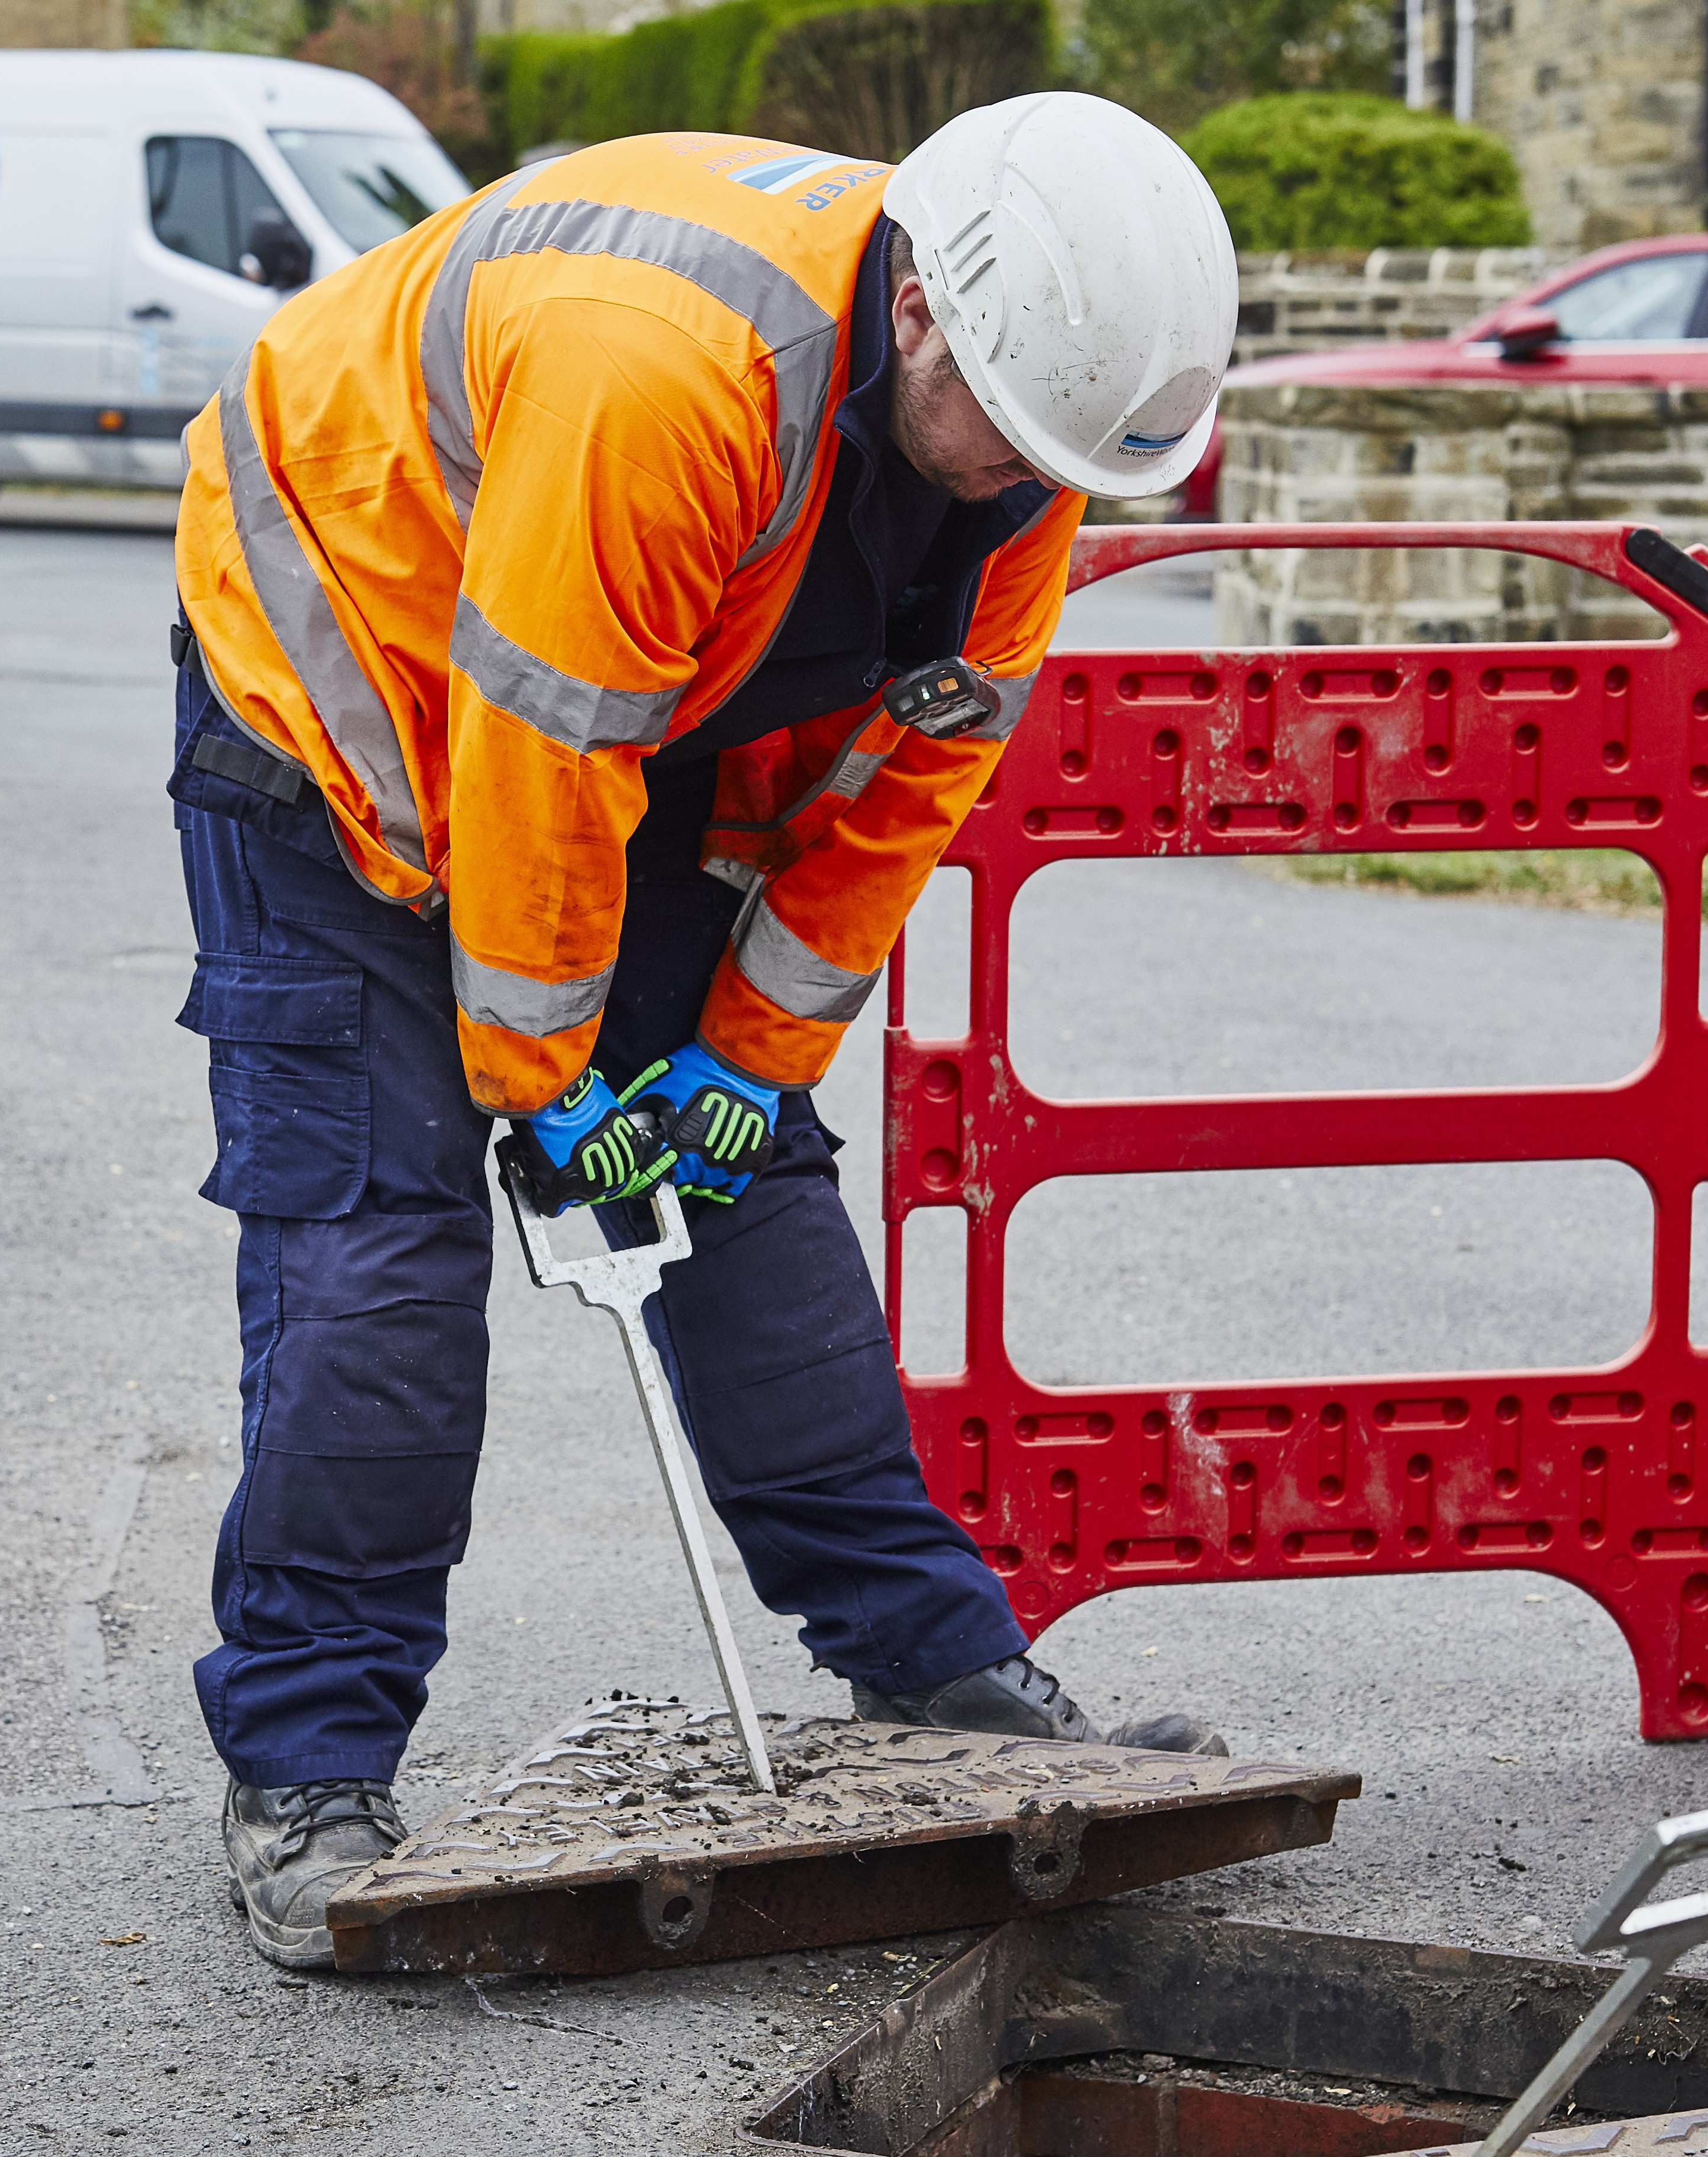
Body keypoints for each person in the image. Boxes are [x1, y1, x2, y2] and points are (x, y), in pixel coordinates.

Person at [167, 90, 1238, 1969]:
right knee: (384, 1244)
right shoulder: (665, 369)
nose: (1018, 486)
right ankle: (309, 1765)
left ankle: (930, 1672)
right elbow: (533, 746)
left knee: (741, 1191)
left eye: (1057, 465)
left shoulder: (1035, 435)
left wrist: (739, 1067)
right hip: (347, 695)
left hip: (620, 716)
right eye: (1003, 439)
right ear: (919, 312)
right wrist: (548, 1086)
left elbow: (910, 779)